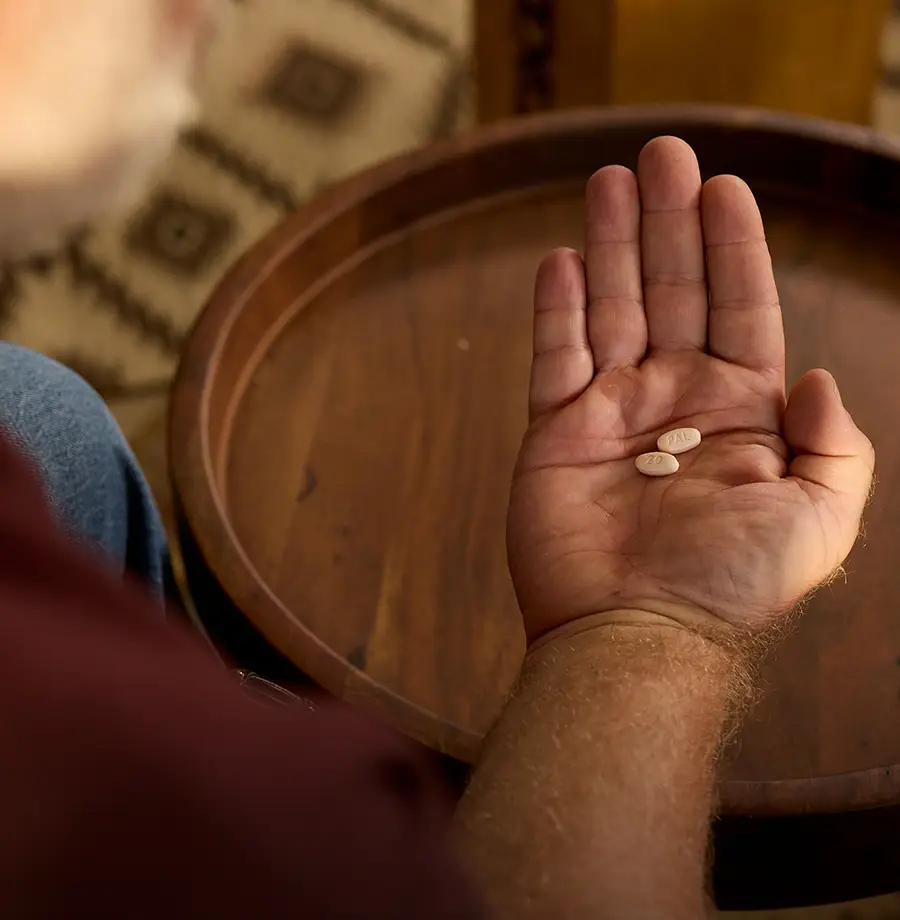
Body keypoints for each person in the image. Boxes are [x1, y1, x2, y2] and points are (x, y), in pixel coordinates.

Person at [0, 4, 875, 918]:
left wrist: (636, 615)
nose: (211, 10)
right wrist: (661, 629)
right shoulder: (278, 828)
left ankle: (168, 694)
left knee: (49, 424)